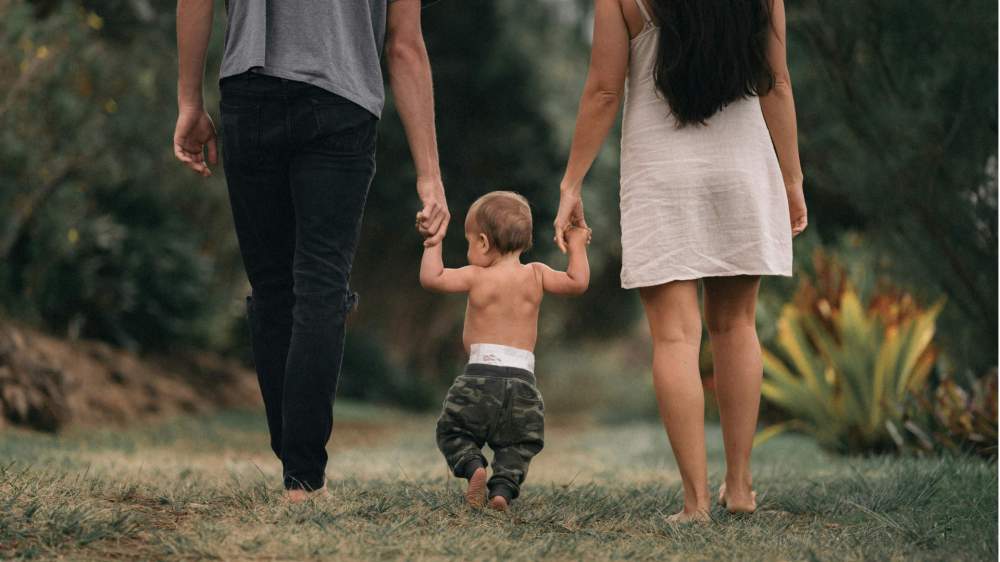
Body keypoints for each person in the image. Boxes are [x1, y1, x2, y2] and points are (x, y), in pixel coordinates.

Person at [172, 0, 448, 502]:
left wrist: (189, 102)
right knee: (321, 285)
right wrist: (429, 175)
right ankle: (302, 477)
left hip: (249, 91)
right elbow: (405, 45)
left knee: (274, 288)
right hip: (342, 101)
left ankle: (297, 469)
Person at [554, 0, 807, 522]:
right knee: (736, 326)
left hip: (661, 175)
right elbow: (776, 85)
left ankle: (695, 504)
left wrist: (571, 182)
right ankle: (739, 488)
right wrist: (792, 180)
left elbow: (603, 91)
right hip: (741, 168)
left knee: (674, 337)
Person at [418, 191, 591, 511]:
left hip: (479, 377)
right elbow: (577, 282)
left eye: (469, 242)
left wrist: (433, 239)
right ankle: (501, 491)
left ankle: (473, 466)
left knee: (454, 429)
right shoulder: (537, 274)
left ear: (483, 242)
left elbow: (432, 278)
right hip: (523, 384)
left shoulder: (477, 275)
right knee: (518, 445)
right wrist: (577, 242)